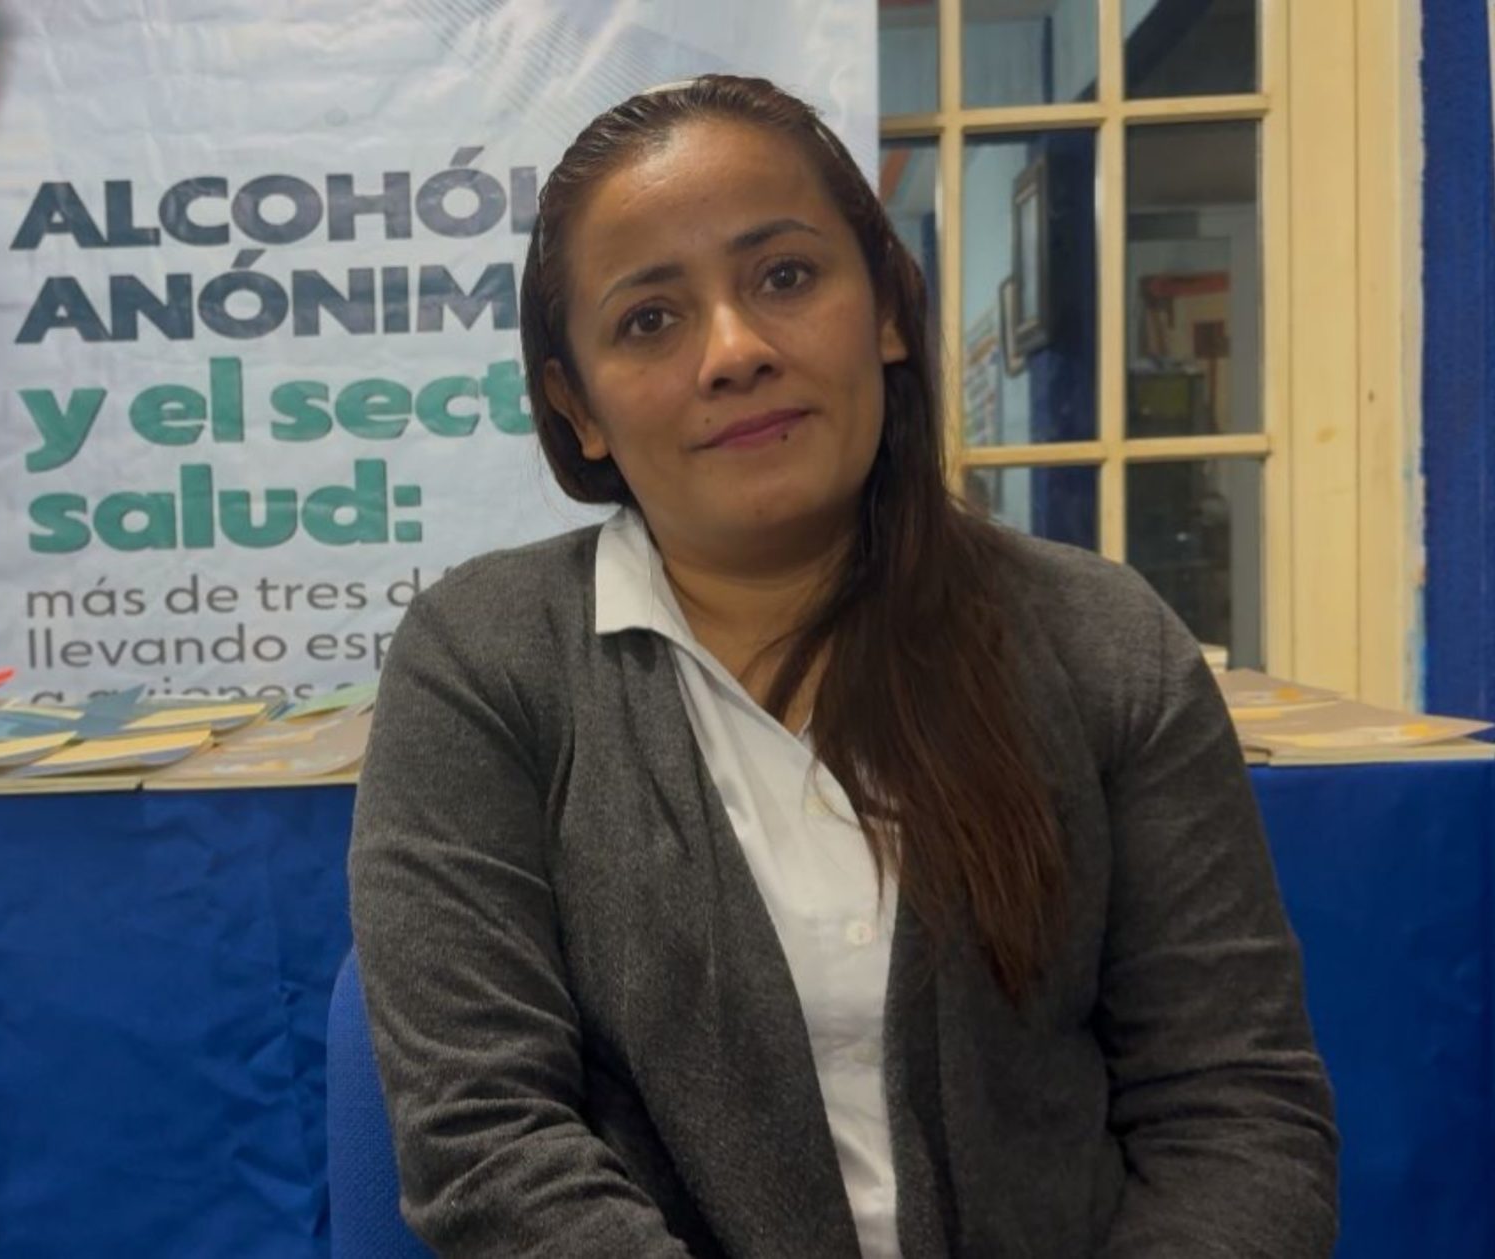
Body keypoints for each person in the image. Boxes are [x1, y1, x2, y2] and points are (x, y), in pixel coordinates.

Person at [347, 74, 1337, 1258]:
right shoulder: (481, 662)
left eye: (783, 276)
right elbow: (484, 1141)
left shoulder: (1100, 641)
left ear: (883, 310)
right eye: (649, 319)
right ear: (579, 406)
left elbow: (1235, 1113)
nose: (733, 351)